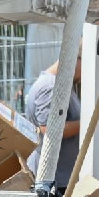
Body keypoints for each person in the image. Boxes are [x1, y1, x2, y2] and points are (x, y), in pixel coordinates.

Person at [25, 60, 82, 190]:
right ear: (77, 60)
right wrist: (86, 124)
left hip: (59, 178)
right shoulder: (50, 87)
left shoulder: (58, 85)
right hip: (53, 181)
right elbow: (50, 129)